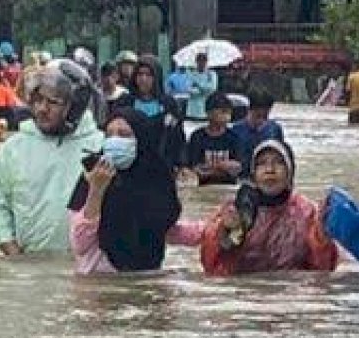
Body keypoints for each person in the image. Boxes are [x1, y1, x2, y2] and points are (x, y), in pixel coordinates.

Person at [0, 59, 104, 256]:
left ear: (74, 107)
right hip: (28, 273)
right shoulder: (14, 149)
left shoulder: (99, 147)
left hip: (83, 271)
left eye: (53, 102)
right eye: (38, 100)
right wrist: (12, 252)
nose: (42, 109)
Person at [68, 107, 202, 274]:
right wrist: (97, 190)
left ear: (142, 139)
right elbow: (80, 244)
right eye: (109, 135)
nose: (115, 140)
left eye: (123, 134)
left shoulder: (156, 180)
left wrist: (214, 230)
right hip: (99, 288)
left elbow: (164, 228)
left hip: (146, 283)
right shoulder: (91, 176)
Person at [199, 140, 338, 275]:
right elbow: (212, 269)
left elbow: (323, 271)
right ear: (253, 175)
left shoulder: (309, 213)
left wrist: (321, 237)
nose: (270, 170)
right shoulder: (233, 211)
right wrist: (225, 232)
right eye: (262, 164)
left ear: (290, 173)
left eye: (278, 162)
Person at [114, 58, 187, 173]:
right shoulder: (124, 102)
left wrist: (181, 164)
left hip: (162, 167)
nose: (143, 79)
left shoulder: (168, 104)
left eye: (149, 75)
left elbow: (178, 137)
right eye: (140, 74)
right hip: (130, 166)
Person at [186, 92, 243, 185]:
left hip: (228, 186)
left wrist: (216, 167)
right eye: (223, 112)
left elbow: (238, 166)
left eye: (229, 113)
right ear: (209, 113)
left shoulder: (234, 137)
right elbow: (193, 166)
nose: (226, 116)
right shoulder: (197, 136)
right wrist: (219, 168)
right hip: (203, 187)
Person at [231, 88, 284, 177]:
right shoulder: (235, 131)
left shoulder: (275, 129)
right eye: (257, 116)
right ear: (248, 110)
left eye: (265, 117)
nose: (261, 121)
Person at [185, 52, 218, 120]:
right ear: (196, 62)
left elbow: (212, 89)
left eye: (203, 61)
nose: (201, 63)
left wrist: (198, 85)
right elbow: (189, 90)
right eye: (199, 61)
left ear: (206, 62)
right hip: (193, 110)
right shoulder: (191, 74)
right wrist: (204, 90)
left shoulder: (211, 74)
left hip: (207, 109)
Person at [345, 59, 359, 124]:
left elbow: (348, 92)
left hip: (354, 108)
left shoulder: (352, 76)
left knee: (352, 129)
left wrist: (348, 104)